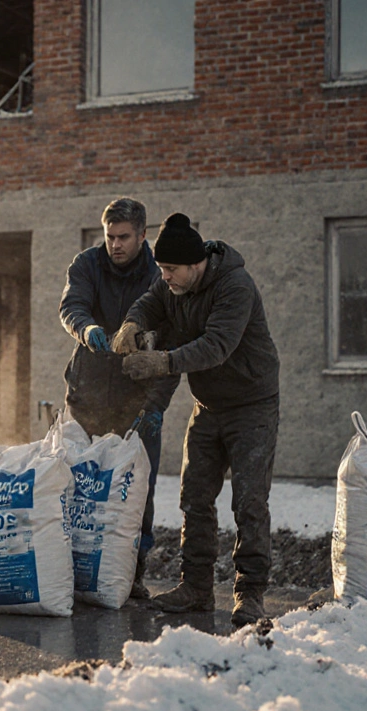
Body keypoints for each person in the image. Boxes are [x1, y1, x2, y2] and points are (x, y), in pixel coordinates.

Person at [111, 212, 280, 628]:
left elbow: (216, 346)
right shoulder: (171, 283)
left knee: (249, 500)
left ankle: (250, 592)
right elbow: (150, 301)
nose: (163, 276)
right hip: (208, 406)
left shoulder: (235, 286)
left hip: (251, 405)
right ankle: (196, 587)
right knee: (194, 498)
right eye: (160, 268)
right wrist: (133, 322)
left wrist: (162, 362)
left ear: (194, 265)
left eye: (169, 269)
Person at [60, 197, 178, 600]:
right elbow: (71, 305)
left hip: (137, 399)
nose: (115, 245)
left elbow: (170, 344)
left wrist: (156, 406)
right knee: (79, 485)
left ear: (143, 235)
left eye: (124, 237)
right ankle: (74, 569)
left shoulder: (159, 275)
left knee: (135, 489)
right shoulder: (86, 264)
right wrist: (85, 327)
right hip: (88, 392)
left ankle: (132, 574)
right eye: (109, 236)